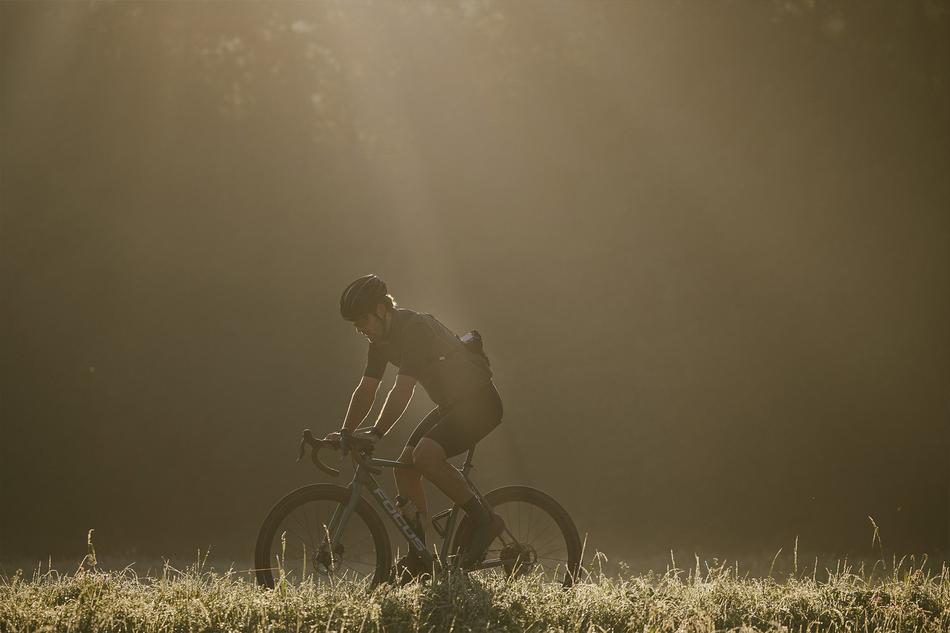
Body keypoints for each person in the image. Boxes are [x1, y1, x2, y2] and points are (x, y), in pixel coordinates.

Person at [325, 274, 505, 582]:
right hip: (453, 406)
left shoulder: (415, 329)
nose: (360, 329)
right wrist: (346, 431)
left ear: (382, 310)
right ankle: (419, 555)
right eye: (355, 325)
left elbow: (402, 390)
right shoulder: (379, 341)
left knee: (425, 455)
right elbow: (367, 388)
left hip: (480, 403)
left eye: (363, 320)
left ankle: (485, 521)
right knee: (405, 468)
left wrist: (376, 433)